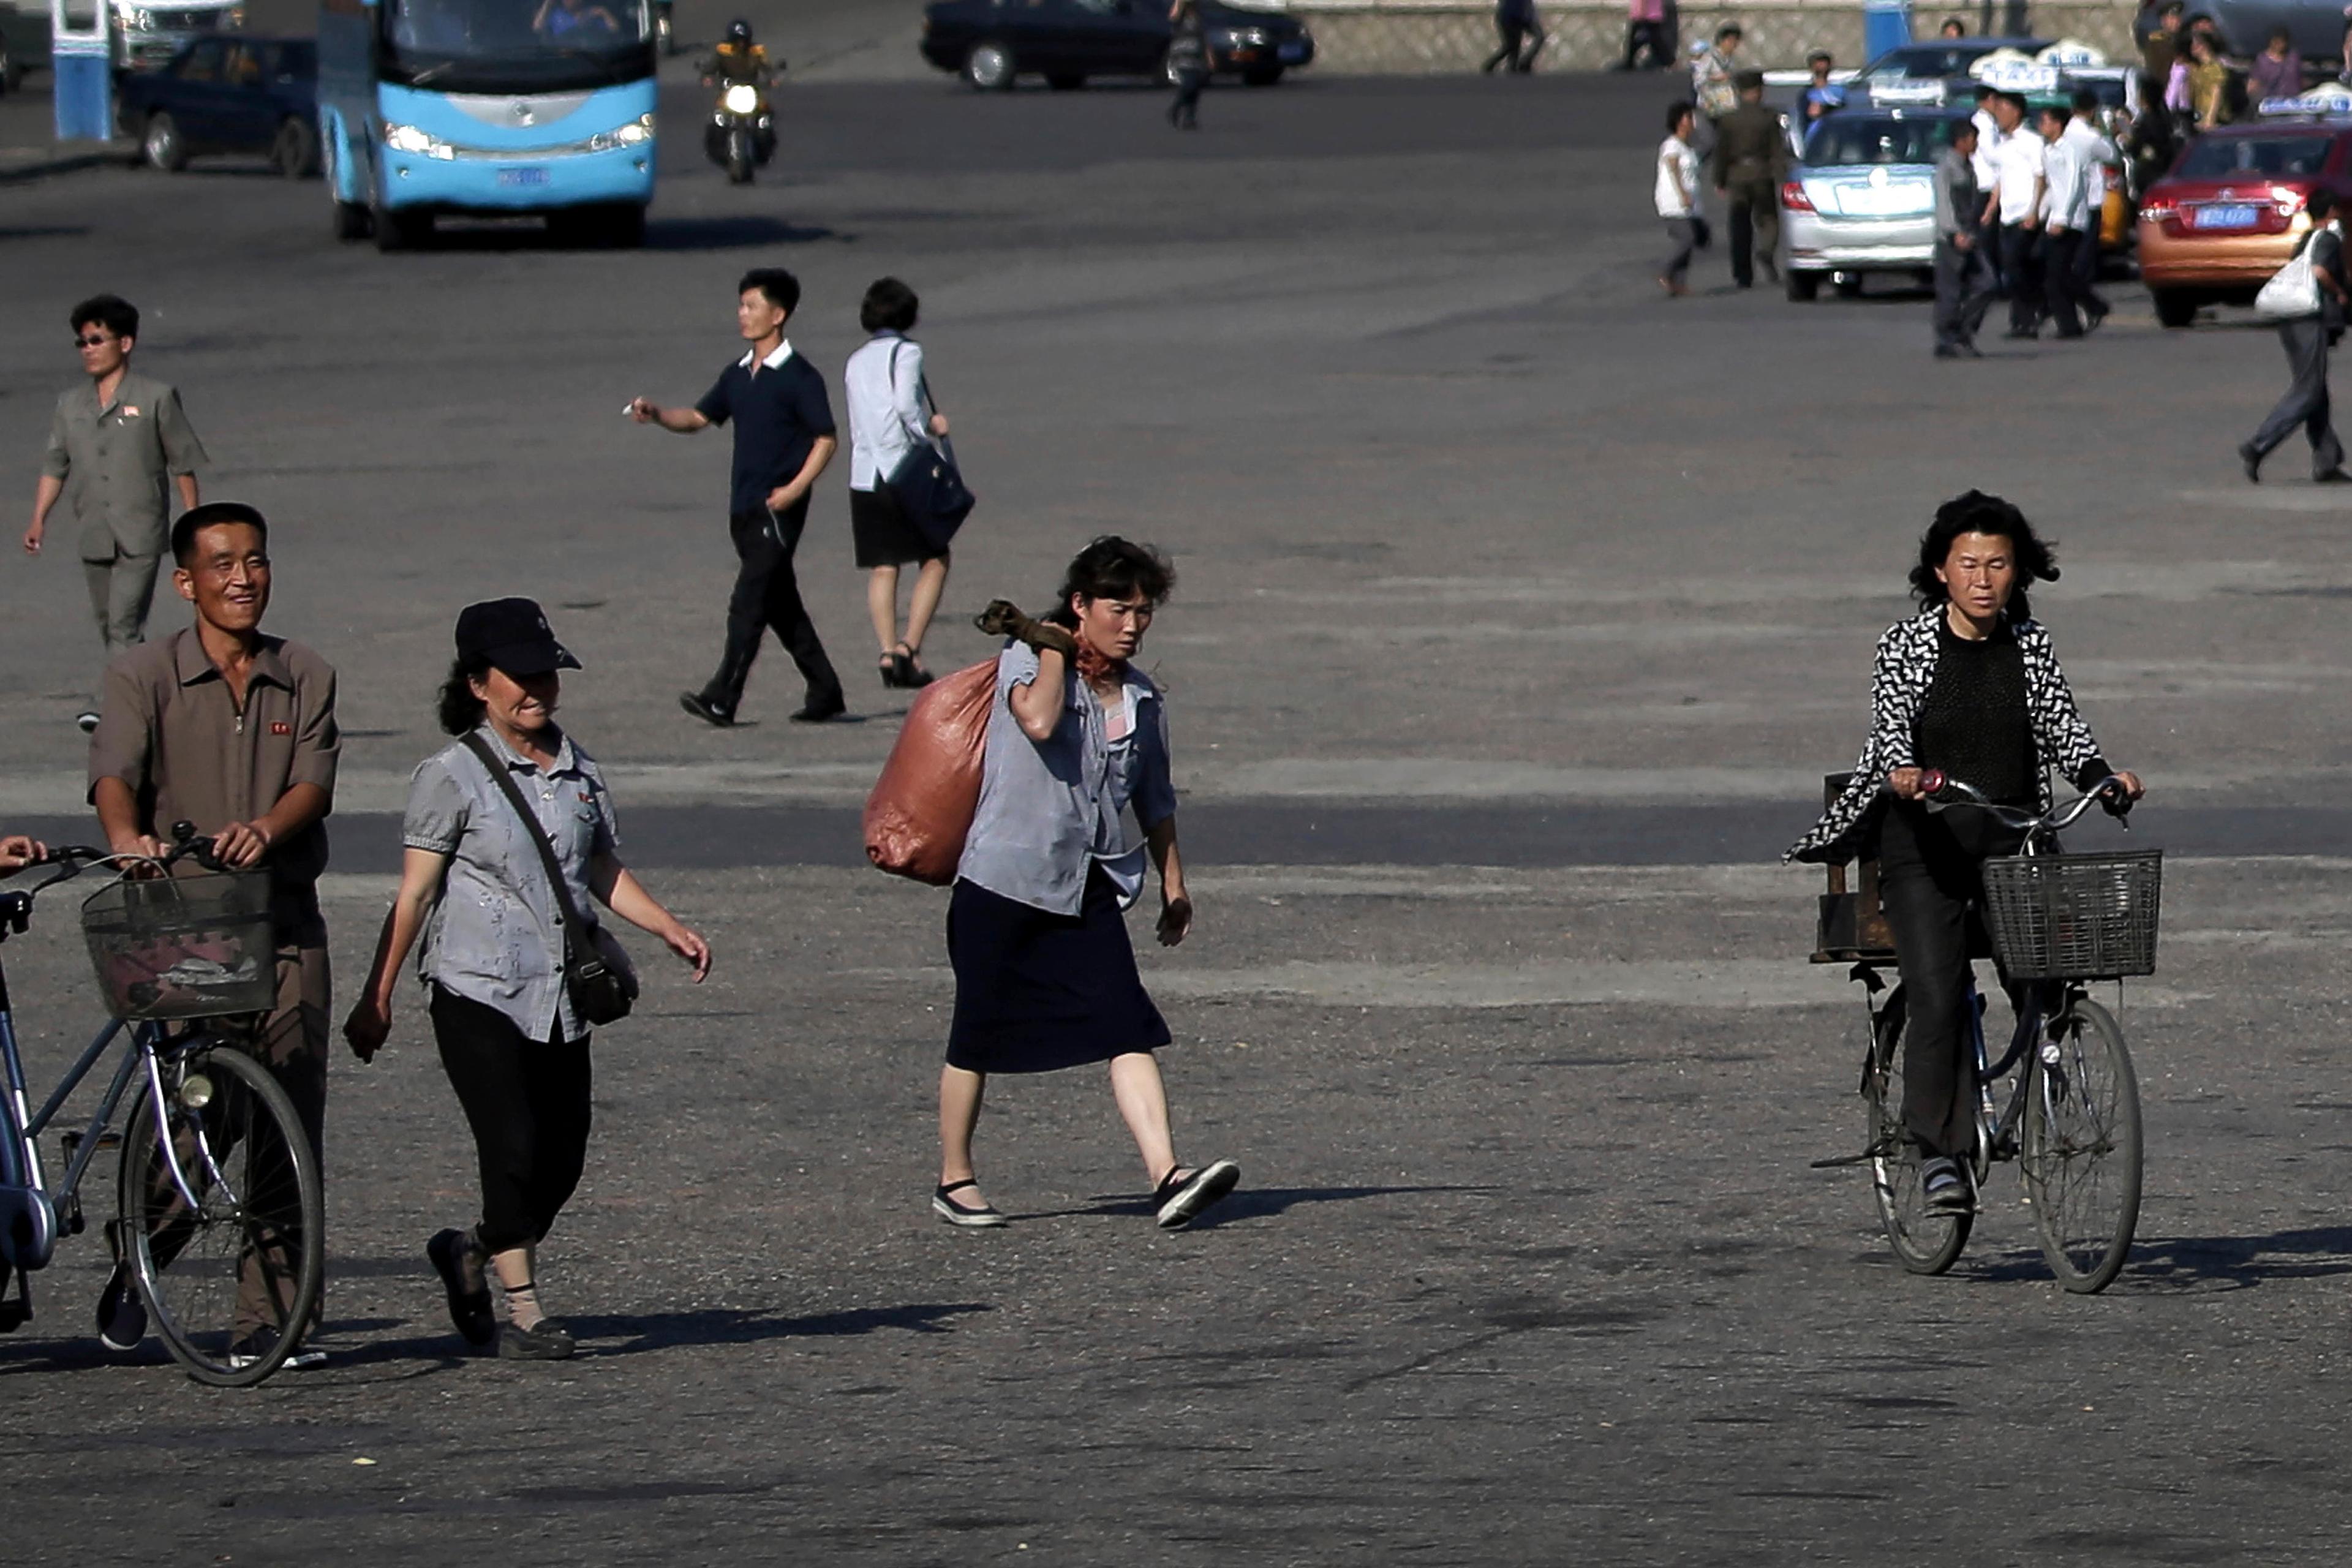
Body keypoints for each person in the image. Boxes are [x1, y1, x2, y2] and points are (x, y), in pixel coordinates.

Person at [344, 600, 710, 1362]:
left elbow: (598, 869)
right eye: (519, 674)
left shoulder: (580, 772)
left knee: (563, 1153)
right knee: (510, 1144)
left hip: (559, 990)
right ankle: (528, 1310)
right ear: (479, 684)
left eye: (546, 671)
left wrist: (666, 925)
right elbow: (414, 894)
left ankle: (470, 1247)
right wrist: (376, 996)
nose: (537, 687)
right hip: (474, 985)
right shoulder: (450, 777)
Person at [1787, 491, 2144, 1215]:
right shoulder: (1907, 644)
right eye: (1969, 563)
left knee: (2046, 975)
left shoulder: (2031, 646)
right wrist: (1904, 773)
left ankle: (2048, 1074)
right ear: (1941, 571)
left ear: (2020, 572)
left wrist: (2104, 780)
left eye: (1999, 563)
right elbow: (1892, 729)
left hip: (2011, 836)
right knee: (1938, 993)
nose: (1984, 578)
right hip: (1926, 844)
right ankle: (1939, 1152)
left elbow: (2065, 732)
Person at [88, 501, 339, 1369]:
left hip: (284, 922)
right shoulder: (143, 674)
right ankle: (143, 1254)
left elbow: (313, 782)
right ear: (186, 582)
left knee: (290, 1118)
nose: (244, 578)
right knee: (201, 1107)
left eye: (257, 561)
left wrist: (267, 829)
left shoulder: (304, 672)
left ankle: (269, 1320)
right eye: (224, 565)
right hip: (184, 927)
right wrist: (128, 841)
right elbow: (114, 774)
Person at [937, 540, 1238, 1232]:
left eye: (1143, 610)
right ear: (1080, 605)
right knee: (976, 1034)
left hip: (1086, 885)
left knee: (1125, 1023)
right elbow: (1038, 721)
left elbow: (1155, 799)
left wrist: (1174, 884)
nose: (1132, 623)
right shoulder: (1026, 660)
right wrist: (1051, 647)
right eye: (1117, 607)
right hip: (1003, 880)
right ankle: (956, 1179)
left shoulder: (1140, 696)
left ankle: (1167, 1174)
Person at [630, 270, 846, 729]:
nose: (742, 314)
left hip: (778, 507)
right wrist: (658, 414)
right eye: (742, 305)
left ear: (779, 314)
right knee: (780, 604)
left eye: (751, 306)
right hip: (743, 507)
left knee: (748, 602)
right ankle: (825, 690)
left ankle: (723, 696)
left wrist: (794, 489)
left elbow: (826, 439)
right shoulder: (738, 374)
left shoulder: (800, 378)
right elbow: (697, 417)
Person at [25, 294, 208, 735]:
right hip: (94, 531)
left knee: (125, 623)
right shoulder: (70, 406)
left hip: (141, 531)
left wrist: (194, 522)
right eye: (82, 343)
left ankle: (106, 705)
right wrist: (38, 520)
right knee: (113, 627)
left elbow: (182, 461)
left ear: (124, 343)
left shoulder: (155, 398)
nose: (88, 349)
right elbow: (55, 465)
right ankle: (161, 697)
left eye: (96, 340)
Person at [844, 277, 954, 687]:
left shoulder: (855, 360)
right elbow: (906, 405)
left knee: (883, 566)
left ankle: (888, 652)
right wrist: (930, 428)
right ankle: (910, 647)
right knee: (935, 558)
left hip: (865, 474)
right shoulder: (907, 353)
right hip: (902, 471)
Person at [2239, 188, 2350, 484]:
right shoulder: (2326, 239)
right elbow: (2319, 272)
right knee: (2308, 390)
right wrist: (2339, 294)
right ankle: (2258, 445)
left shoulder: (2305, 240)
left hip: (2293, 321)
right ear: (2330, 213)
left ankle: (2327, 460)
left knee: (2316, 391)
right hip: (2308, 320)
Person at [1711, 70, 1785, 289]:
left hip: (1737, 175)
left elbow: (1721, 152)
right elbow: (1777, 150)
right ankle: (1766, 251)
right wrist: (1781, 176)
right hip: (1762, 173)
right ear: (1758, 91)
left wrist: (1720, 179)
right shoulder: (1768, 117)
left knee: (1739, 225)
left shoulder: (1728, 120)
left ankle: (1743, 274)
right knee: (1769, 219)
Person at [1932, 119, 1996, 357]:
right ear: (1961, 140)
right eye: (1972, 139)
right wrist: (1954, 232)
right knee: (1950, 292)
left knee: (1988, 284)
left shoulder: (1967, 167)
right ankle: (1947, 339)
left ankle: (1964, 330)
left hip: (1970, 237)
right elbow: (1944, 206)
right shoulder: (1947, 168)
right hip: (1951, 240)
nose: (1976, 144)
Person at [2059, 88, 2117, 327]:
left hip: (2061, 203)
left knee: (2065, 260)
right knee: (2083, 260)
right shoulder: (2091, 137)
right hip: (2090, 202)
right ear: (2093, 111)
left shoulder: (2062, 134)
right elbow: (2112, 155)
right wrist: (2106, 132)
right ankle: (2088, 304)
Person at [1991, 92, 2046, 339]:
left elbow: (2041, 176)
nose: (1999, 116)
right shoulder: (2004, 145)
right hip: (2007, 215)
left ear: (2016, 112)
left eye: (2003, 110)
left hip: (2026, 214)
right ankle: (2021, 322)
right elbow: (2001, 180)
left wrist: (2035, 211)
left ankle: (2036, 309)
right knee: (2014, 269)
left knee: (2016, 267)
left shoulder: (2032, 142)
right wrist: (1990, 209)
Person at [2036, 104, 2090, 339]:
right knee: (2055, 274)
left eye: (2045, 121)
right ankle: (2089, 308)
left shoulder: (2070, 149)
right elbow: (2052, 187)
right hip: (2054, 218)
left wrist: (2063, 217)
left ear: (2057, 124)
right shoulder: (2049, 151)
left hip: (2071, 220)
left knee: (2056, 277)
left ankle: (2069, 325)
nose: (2041, 126)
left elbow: (2072, 185)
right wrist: (2040, 214)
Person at [1656, 100, 1708, 297]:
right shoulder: (1672, 145)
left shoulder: (1689, 148)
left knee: (1691, 240)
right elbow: (1673, 167)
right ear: (1680, 121)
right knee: (1687, 238)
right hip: (1674, 202)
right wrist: (1682, 193)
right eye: (1689, 117)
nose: (1693, 121)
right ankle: (1665, 271)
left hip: (1691, 203)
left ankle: (1678, 284)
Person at [1691, 24, 1740, 151]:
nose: (1734, 45)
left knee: (1726, 143)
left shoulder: (1729, 61)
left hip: (1724, 108)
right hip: (1708, 106)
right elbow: (1698, 80)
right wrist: (1716, 78)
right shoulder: (1709, 58)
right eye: (1732, 41)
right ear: (1723, 41)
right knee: (1709, 143)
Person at [1167, 0, 1210, 126]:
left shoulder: (1199, 21)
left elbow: (1203, 39)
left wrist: (1209, 57)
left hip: (1197, 58)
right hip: (1183, 57)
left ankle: (1189, 118)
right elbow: (1173, 16)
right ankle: (1175, 108)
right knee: (1189, 86)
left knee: (1195, 90)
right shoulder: (1179, 20)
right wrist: (1179, 2)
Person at [1481, 0, 1543, 74]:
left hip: (1514, 15)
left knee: (1512, 46)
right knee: (1512, 46)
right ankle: (1519, 65)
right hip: (1512, 15)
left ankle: (1519, 64)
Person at [2249, 26, 2301, 105]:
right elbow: (2253, 84)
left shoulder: (2293, 57)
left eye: (2282, 41)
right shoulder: (2262, 60)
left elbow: (2299, 78)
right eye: (2276, 41)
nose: (2279, 45)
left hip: (2293, 102)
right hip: (2271, 104)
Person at [1618, 0, 1667, 70]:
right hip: (1653, 16)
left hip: (1644, 17)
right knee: (1658, 43)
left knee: (1634, 43)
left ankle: (1629, 64)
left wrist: (1642, 14)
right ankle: (1668, 63)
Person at [533, 0, 620, 38]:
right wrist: (547, 4)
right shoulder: (557, 15)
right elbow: (537, 28)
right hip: (563, 56)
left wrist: (605, 13)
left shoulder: (593, 13)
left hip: (590, 56)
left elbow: (615, 30)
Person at [1801, 50, 1845, 124]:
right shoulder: (1806, 94)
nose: (1821, 66)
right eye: (1818, 64)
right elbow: (1805, 118)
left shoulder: (1838, 91)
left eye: (1823, 63)